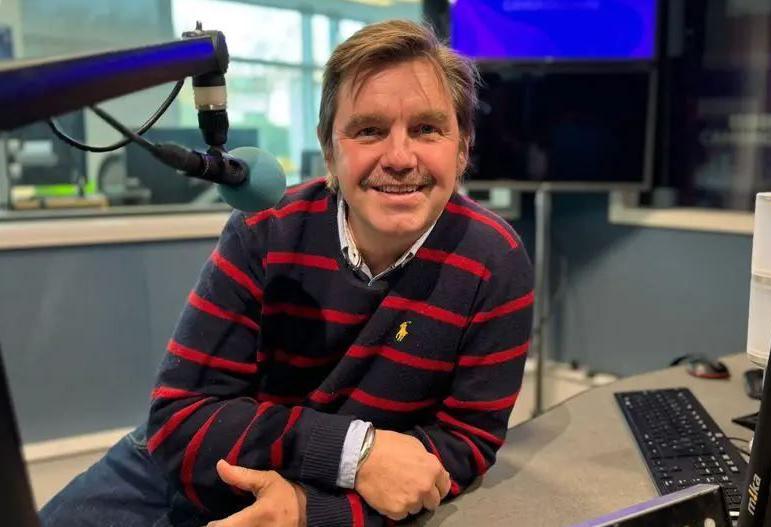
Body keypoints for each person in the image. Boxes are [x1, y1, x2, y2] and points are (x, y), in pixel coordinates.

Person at [40, 19, 533, 527]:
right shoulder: (265, 231)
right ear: (329, 151)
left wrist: (311, 513)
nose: (401, 157)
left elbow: (462, 444)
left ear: (463, 146)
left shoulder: (494, 262)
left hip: (328, 497)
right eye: (369, 130)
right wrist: (354, 451)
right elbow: (180, 421)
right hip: (189, 472)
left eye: (427, 129)